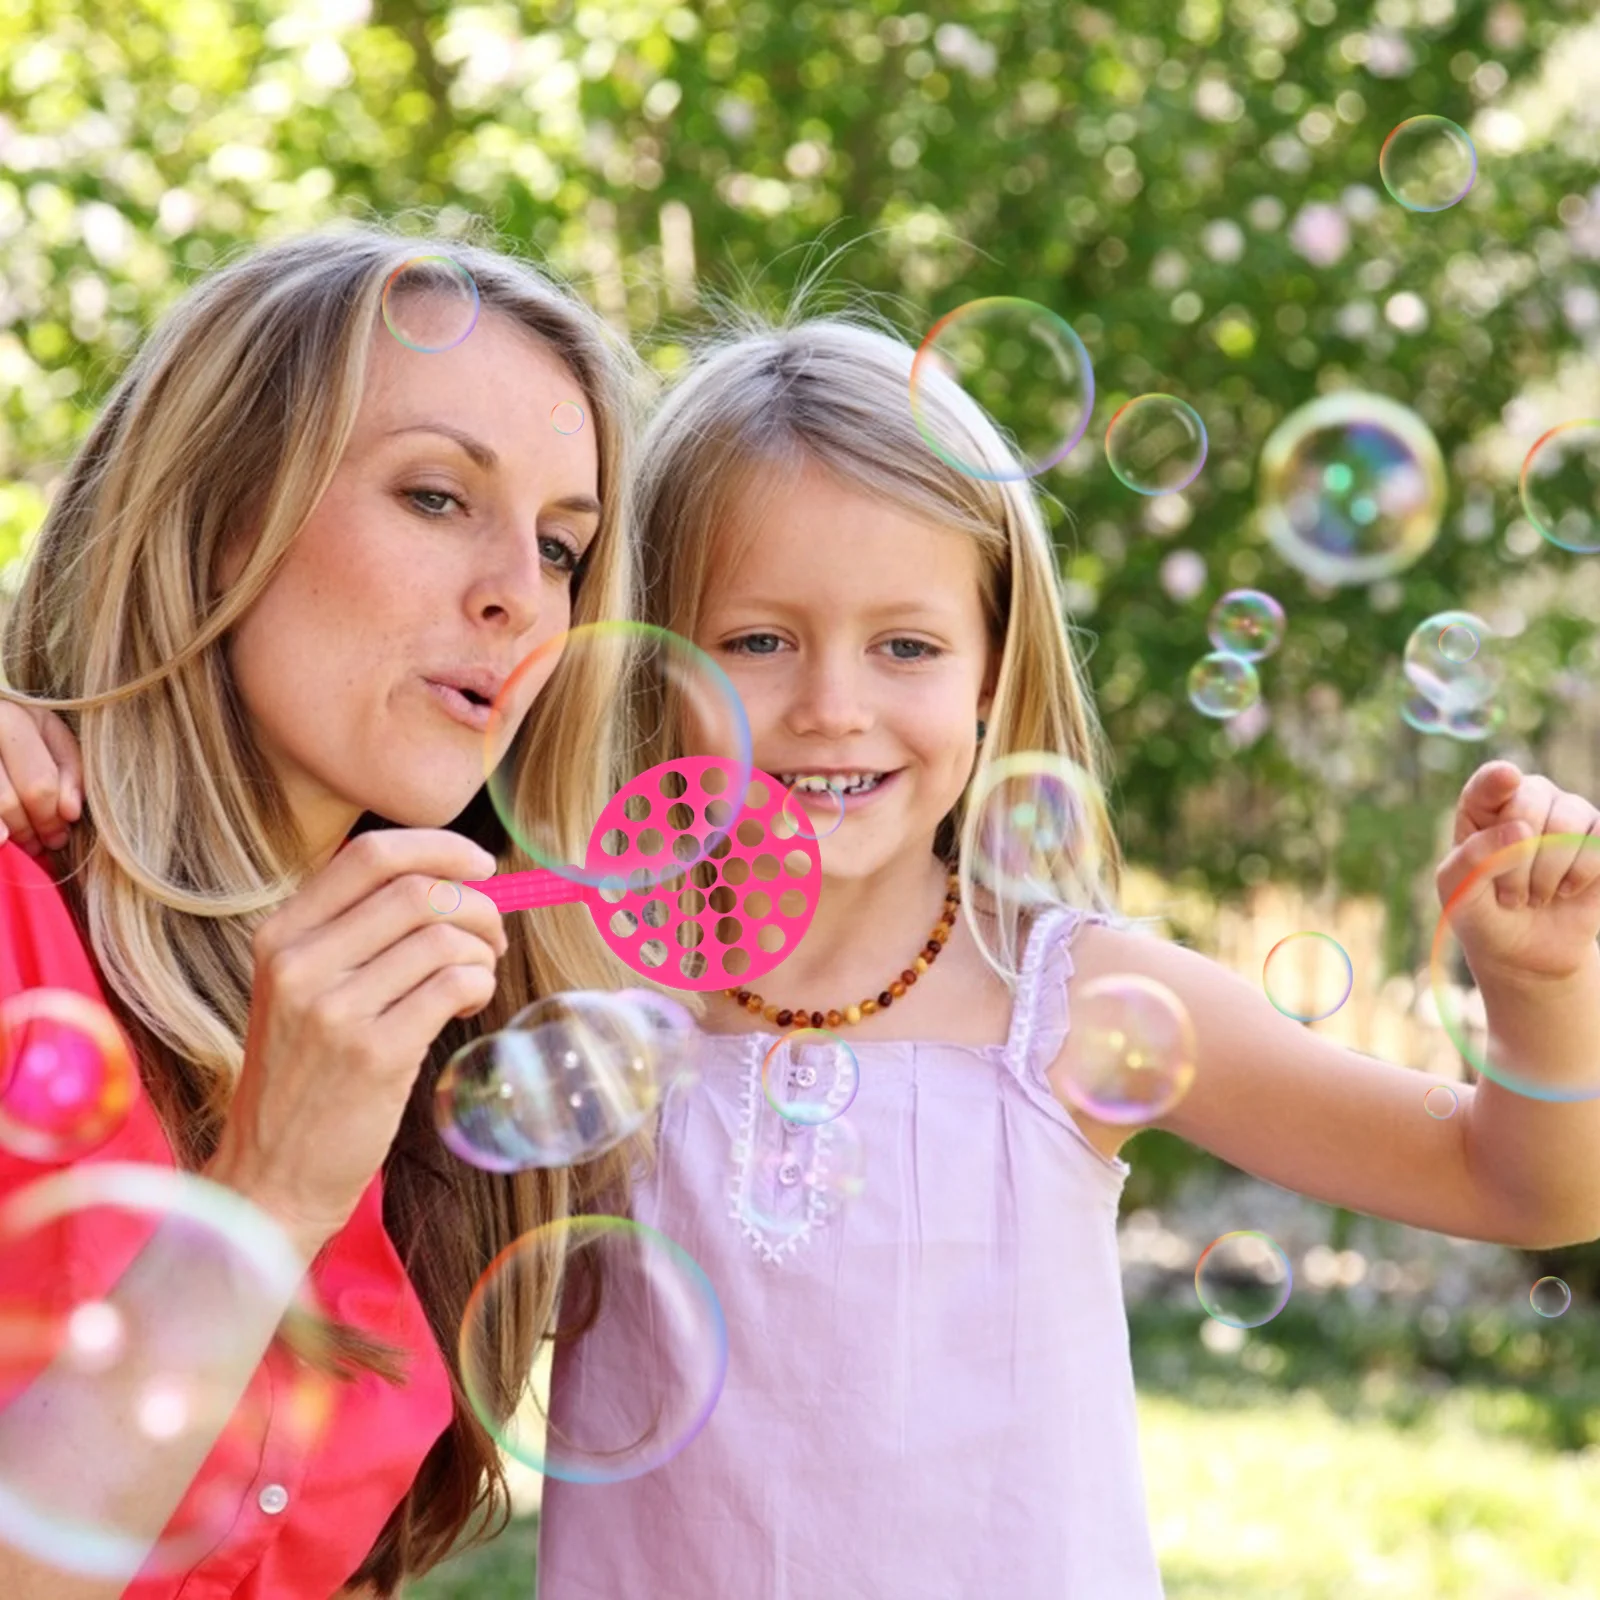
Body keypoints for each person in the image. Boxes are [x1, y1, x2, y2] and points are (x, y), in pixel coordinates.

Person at [12, 314, 1600, 1597]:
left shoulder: (1079, 999)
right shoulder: (559, 995)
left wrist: (1539, 997)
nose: (833, 705)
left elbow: (1521, 1184)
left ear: (993, 678)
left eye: (906, 646)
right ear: (641, 666)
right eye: (758, 641)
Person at [0, 223, 649, 1599]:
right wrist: (271, 1192)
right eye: (433, 496)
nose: (515, 595)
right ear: (213, 506)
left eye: (562, 546)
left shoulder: (421, 1046)